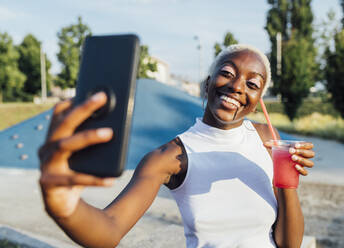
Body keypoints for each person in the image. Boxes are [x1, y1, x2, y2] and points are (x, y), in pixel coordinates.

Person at [39, 44, 315, 248]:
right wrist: (64, 206)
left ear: (257, 101)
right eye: (228, 73)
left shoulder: (268, 137)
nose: (237, 87)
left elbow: (288, 244)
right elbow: (109, 230)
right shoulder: (169, 158)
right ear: (208, 84)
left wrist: (287, 182)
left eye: (252, 84)